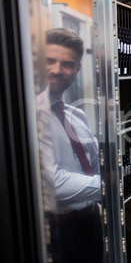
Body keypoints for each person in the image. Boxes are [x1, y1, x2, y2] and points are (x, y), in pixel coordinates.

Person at [36, 28, 102, 263]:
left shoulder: (76, 116)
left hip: (91, 221)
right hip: (56, 230)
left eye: (66, 63)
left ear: (77, 69)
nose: (56, 70)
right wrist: (112, 188)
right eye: (49, 61)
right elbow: (55, 186)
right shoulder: (30, 117)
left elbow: (95, 164)